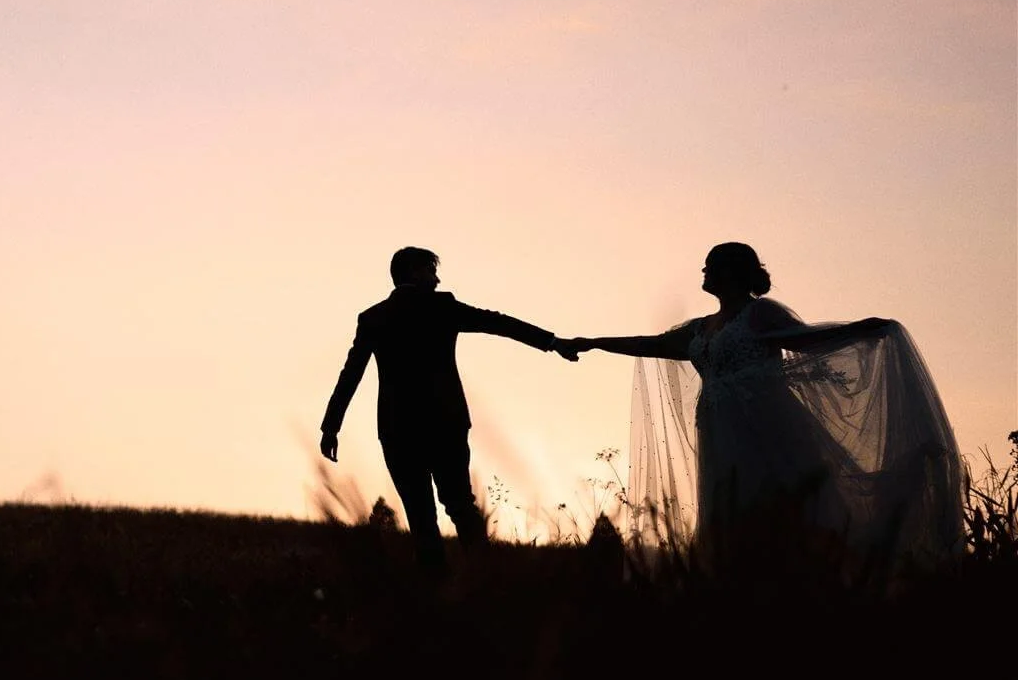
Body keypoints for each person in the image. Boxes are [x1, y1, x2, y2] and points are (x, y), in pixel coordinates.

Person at [557, 241, 962, 568]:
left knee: (781, 504)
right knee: (730, 512)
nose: (704, 271)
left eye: (711, 265)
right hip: (719, 433)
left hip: (768, 428)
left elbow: (805, 340)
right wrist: (593, 343)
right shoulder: (702, 328)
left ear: (732, 271)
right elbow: (655, 345)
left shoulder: (760, 314)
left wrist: (863, 329)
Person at [320, 246, 577, 572]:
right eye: (431, 271)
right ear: (414, 271)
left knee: (420, 516)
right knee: (460, 505)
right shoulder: (443, 307)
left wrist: (331, 426)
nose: (437, 278)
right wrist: (553, 342)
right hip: (446, 425)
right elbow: (498, 323)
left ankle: (435, 593)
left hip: (398, 430)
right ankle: (486, 581)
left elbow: (351, 374)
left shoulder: (374, 318)